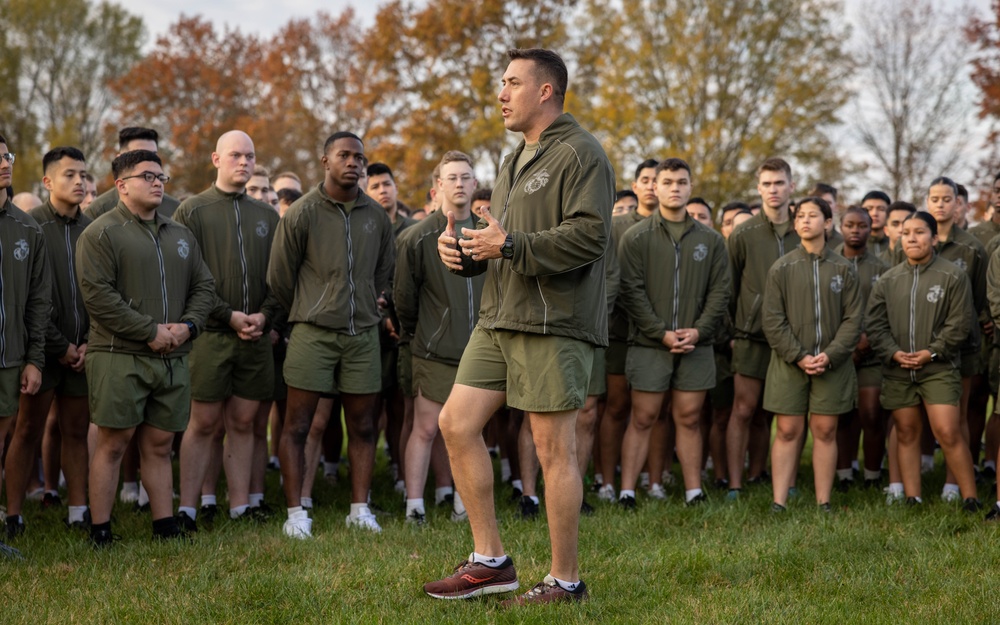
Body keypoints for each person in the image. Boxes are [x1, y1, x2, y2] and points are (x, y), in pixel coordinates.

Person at [424, 48, 613, 605]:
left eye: (511, 83)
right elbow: (503, 239)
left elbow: (591, 236)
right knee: (456, 424)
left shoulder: (582, 154)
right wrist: (467, 251)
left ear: (546, 91)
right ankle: (491, 561)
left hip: (554, 322)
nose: (501, 94)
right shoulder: (512, 160)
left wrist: (509, 245)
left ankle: (565, 580)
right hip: (500, 317)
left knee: (554, 450)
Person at [77, 149, 216, 545]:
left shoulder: (180, 234)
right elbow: (99, 298)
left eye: (161, 177)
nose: (158, 183)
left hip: (172, 356)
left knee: (159, 444)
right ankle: (100, 530)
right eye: (147, 176)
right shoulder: (100, 233)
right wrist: (149, 331)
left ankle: (164, 525)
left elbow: (204, 287)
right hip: (118, 356)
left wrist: (188, 327)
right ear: (121, 185)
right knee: (114, 443)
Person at [268, 131, 394, 538]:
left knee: (362, 426)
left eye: (359, 156)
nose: (354, 162)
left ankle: (360, 509)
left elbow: (383, 272)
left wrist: (365, 301)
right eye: (344, 155)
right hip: (312, 333)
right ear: (325, 161)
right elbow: (280, 278)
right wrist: (313, 307)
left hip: (362, 335)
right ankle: (296, 514)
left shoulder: (376, 216)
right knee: (297, 425)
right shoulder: (303, 213)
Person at [173, 131, 281, 531]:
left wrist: (264, 317)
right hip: (211, 336)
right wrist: (228, 315)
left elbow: (278, 279)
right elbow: (187, 279)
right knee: (203, 423)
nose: (244, 162)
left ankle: (241, 506)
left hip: (255, 335)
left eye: (250, 156)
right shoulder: (192, 210)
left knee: (243, 423)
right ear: (216, 159)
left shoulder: (267, 215)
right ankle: (186, 509)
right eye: (235, 155)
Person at [615, 158, 730, 508]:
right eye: (667, 182)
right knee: (644, 416)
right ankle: (627, 491)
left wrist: (698, 331)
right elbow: (630, 291)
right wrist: (660, 332)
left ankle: (694, 491)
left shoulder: (711, 240)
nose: (675, 188)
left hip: (697, 344)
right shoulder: (636, 237)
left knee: (689, 417)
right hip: (650, 344)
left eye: (682, 182)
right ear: (656, 187)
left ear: (691, 187)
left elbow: (720, 292)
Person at [866, 211, 980, 510]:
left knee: (947, 430)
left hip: (939, 367)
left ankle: (970, 497)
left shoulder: (952, 276)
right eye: (906, 233)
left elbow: (960, 323)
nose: (912, 238)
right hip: (899, 368)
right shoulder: (888, 280)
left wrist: (932, 352)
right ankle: (912, 497)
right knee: (905, 431)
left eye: (919, 232)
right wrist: (893, 352)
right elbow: (875, 324)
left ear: (935, 237)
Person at [395, 150, 485, 525]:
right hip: (433, 348)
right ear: (437, 187)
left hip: (480, 352)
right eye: (452, 178)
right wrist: (423, 334)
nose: (460, 184)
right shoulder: (417, 237)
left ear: (475, 184)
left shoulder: (488, 233)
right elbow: (404, 298)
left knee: (469, 431)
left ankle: (464, 505)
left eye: (466, 177)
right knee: (426, 428)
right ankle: (414, 506)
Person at [9, 147, 93, 537]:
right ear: (47, 182)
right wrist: (59, 346)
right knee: (28, 429)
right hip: (42, 350)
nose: (80, 182)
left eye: (84, 175)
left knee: (76, 430)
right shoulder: (30, 226)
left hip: (83, 351)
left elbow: (101, 293)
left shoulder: (93, 229)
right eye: (70, 175)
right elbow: (32, 298)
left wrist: (88, 342)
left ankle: (79, 510)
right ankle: (14, 514)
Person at [762, 197, 861, 511]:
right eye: (800, 216)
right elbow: (772, 319)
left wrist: (830, 355)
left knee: (825, 429)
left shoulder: (843, 268)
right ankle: (779, 500)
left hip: (832, 364)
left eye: (813, 215)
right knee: (788, 430)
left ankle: (823, 501)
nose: (805, 220)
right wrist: (799, 355)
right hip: (790, 363)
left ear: (828, 223)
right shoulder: (782, 267)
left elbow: (853, 319)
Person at [726, 158, 800, 497]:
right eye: (767, 184)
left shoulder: (806, 230)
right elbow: (729, 287)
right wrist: (732, 331)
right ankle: (736, 483)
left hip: (795, 338)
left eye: (779, 183)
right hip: (750, 336)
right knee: (744, 409)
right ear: (758, 189)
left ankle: (776, 477)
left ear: (791, 186)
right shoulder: (744, 232)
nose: (773, 190)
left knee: (787, 412)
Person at [0, 137, 51, 551]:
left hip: (9, 360)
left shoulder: (28, 228)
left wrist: (34, 359)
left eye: (6, 156)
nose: (4, 164)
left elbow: (38, 303)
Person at [597, 159, 658, 503]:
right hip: (620, 330)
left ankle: (653, 479)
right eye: (644, 180)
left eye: (656, 180)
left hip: (657, 335)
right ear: (634, 187)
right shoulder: (615, 225)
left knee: (653, 411)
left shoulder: (672, 227)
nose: (650, 185)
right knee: (617, 407)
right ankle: (606, 480)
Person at [834, 206, 889, 490]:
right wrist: (845, 345)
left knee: (870, 412)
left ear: (871, 229)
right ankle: (844, 474)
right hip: (839, 353)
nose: (855, 230)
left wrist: (867, 340)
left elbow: (886, 311)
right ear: (840, 227)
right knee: (843, 414)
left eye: (862, 226)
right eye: (849, 225)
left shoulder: (882, 268)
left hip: (872, 353)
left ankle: (872, 475)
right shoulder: (830, 263)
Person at [84, 127, 181, 219]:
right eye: (139, 155)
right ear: (120, 159)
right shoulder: (97, 211)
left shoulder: (176, 209)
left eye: (153, 155)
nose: (149, 161)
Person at [860, 190, 891, 256]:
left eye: (881, 209)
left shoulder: (896, 244)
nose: (874, 214)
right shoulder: (852, 245)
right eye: (869, 209)